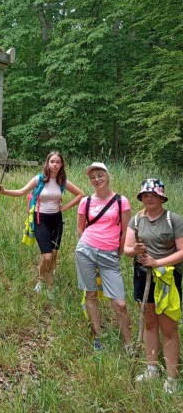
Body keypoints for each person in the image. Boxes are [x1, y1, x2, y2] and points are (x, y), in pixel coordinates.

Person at [124, 178, 183, 395]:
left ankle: (171, 377)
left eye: (153, 194)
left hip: (168, 278)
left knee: (168, 327)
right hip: (143, 276)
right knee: (149, 323)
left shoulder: (173, 219)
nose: (149, 198)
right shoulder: (136, 221)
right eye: (145, 195)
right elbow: (127, 249)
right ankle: (151, 369)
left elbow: (181, 251)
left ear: (161, 197)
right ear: (141, 197)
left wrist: (157, 262)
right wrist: (137, 250)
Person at [0, 151, 84, 292]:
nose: (55, 164)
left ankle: (49, 282)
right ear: (47, 163)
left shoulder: (62, 181)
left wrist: (65, 207)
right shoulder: (39, 179)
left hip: (56, 220)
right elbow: (21, 192)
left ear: (61, 165)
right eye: (52, 161)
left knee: (54, 254)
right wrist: (4, 191)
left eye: (58, 162)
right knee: (47, 255)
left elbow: (80, 194)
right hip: (40, 220)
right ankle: (41, 281)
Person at [76, 162, 131, 351]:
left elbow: (125, 231)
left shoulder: (120, 201)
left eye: (100, 175)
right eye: (92, 177)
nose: (96, 179)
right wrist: (89, 243)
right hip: (86, 250)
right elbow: (80, 228)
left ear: (108, 176)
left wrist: (119, 253)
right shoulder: (86, 201)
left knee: (120, 303)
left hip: (110, 254)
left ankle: (129, 344)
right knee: (90, 294)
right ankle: (98, 337)